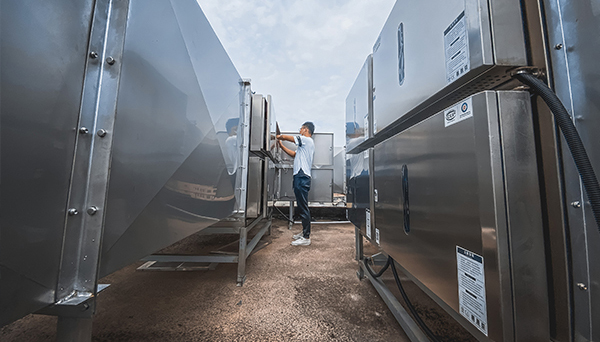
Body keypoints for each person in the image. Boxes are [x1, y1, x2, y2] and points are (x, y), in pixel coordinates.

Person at [277, 122, 315, 246]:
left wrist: (278, 136)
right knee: (301, 206)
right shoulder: (303, 146)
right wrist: (281, 146)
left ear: (305, 129)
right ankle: (304, 233)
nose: (299, 130)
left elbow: (291, 138)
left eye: (301, 128)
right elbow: (294, 154)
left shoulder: (306, 140)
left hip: (302, 176)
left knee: (303, 207)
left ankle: (306, 237)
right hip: (300, 177)